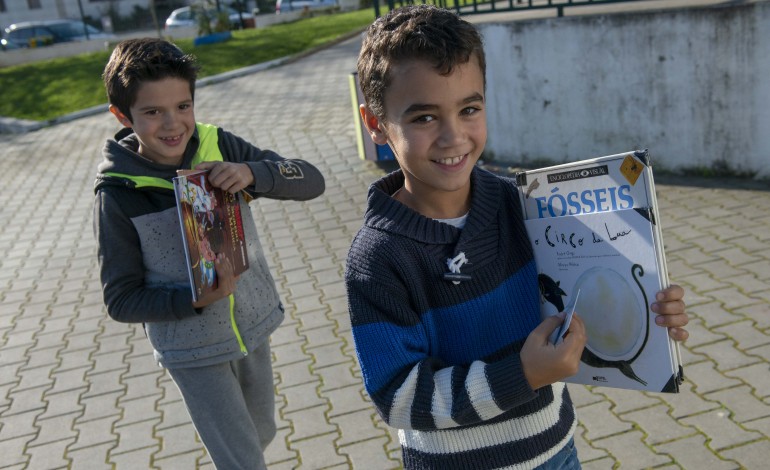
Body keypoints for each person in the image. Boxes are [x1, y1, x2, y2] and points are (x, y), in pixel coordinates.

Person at [344, 5, 688, 469]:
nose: (453, 137)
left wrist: (651, 308)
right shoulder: (377, 259)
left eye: (469, 109)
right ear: (375, 123)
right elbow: (399, 398)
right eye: (424, 117)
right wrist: (521, 375)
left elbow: (577, 299)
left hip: (555, 450)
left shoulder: (524, 205)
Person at [93, 38, 325, 469]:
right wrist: (192, 301)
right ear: (122, 116)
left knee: (260, 436)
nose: (172, 124)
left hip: (252, 327)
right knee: (241, 460)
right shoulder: (118, 194)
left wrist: (254, 173)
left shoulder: (219, 145)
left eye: (183, 106)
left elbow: (311, 181)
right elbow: (120, 300)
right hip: (192, 350)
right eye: (152, 112)